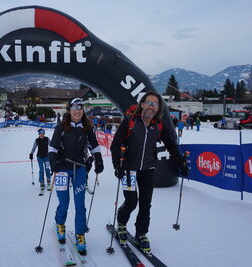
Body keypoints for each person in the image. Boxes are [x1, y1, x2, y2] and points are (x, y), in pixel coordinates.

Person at [110, 91, 189, 253]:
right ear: (142, 104)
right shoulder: (130, 122)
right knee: (131, 202)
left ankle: (141, 233)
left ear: (158, 108)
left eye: (155, 104)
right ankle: (122, 223)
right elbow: (115, 145)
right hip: (128, 170)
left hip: (148, 169)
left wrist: (181, 163)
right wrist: (117, 166)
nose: (152, 107)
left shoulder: (158, 125)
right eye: (149, 103)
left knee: (146, 205)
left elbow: (171, 145)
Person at [48, 98, 104, 255]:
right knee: (64, 203)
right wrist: (53, 161)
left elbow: (95, 146)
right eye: (74, 108)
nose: (77, 111)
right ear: (69, 110)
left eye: (80, 108)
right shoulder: (61, 126)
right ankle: (60, 224)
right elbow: (52, 147)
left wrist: (98, 160)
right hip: (62, 169)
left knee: (80, 204)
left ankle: (80, 235)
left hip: (79, 168)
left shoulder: (87, 127)